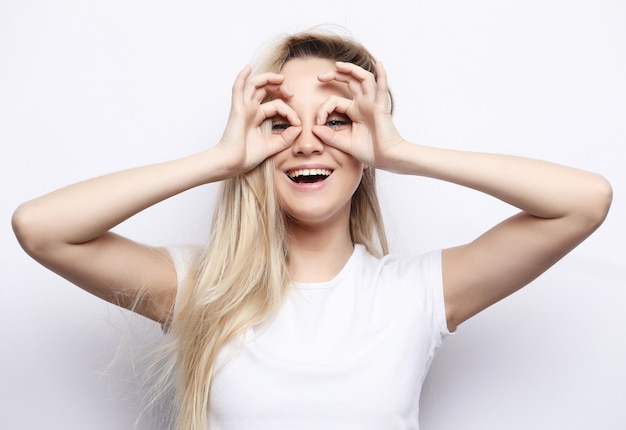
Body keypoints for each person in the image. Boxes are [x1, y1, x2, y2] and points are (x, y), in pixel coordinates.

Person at [12, 29, 612, 430]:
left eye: (336, 120)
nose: (305, 141)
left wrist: (401, 151)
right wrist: (220, 159)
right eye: (281, 123)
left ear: (367, 142)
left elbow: (585, 201)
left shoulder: (417, 294)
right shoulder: (201, 290)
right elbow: (40, 228)